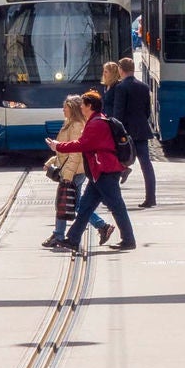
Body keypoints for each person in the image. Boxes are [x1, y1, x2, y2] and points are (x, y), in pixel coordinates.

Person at [52, 91, 136, 252]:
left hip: (106, 171)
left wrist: (58, 146)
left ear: (89, 106)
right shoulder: (96, 121)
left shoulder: (96, 124)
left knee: (116, 206)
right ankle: (73, 239)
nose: (81, 107)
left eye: (83, 104)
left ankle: (128, 239)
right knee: (85, 207)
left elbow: (82, 144)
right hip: (98, 172)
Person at [46, 95, 113, 249]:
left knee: (69, 202)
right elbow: (64, 149)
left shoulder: (76, 126)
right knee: (69, 203)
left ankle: (61, 234)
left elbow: (75, 153)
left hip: (75, 171)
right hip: (72, 169)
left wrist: (68, 176)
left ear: (73, 109)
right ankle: (60, 234)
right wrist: (51, 162)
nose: (63, 109)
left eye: (66, 107)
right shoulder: (69, 123)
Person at [108, 58, 157, 206]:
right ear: (133, 68)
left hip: (125, 133)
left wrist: (115, 132)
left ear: (121, 70)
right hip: (141, 130)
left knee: (115, 163)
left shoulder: (121, 88)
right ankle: (151, 198)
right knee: (146, 165)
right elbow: (148, 111)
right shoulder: (143, 86)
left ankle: (113, 199)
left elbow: (118, 113)